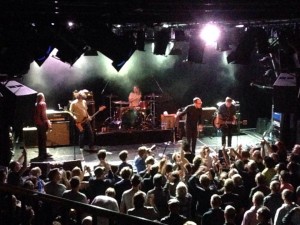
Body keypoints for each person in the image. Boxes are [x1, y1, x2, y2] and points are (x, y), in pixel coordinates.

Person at [34, 92, 52, 159]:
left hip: (38, 123)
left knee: (40, 139)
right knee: (43, 139)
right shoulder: (43, 104)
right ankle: (43, 154)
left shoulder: (36, 104)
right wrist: (48, 122)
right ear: (42, 97)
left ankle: (41, 153)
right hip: (42, 123)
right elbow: (44, 115)